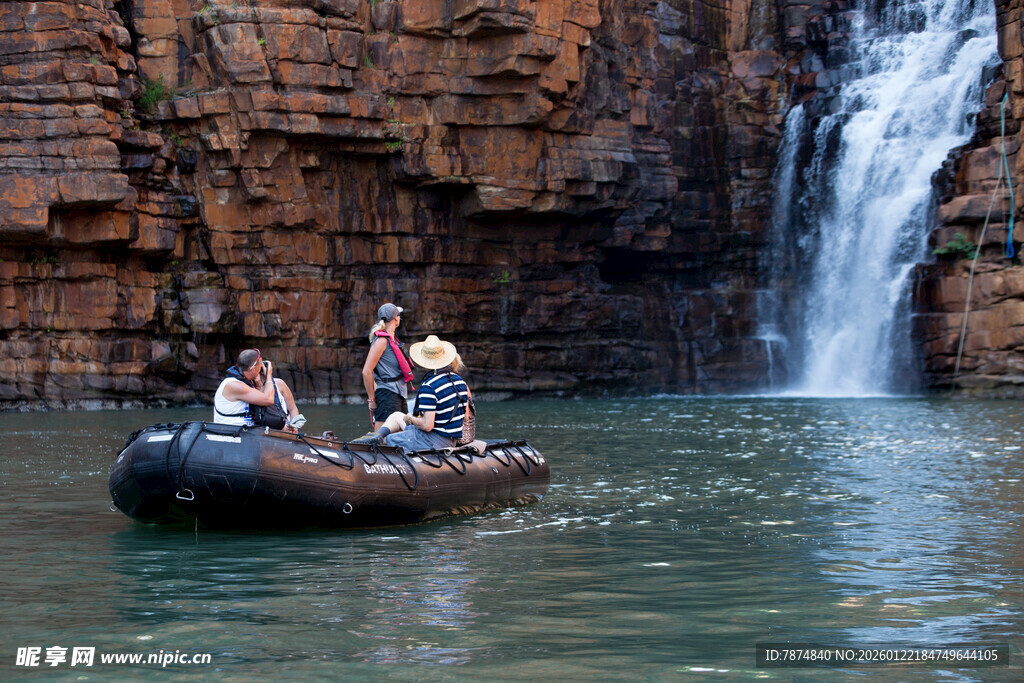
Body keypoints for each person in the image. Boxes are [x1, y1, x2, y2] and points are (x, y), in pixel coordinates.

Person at [352, 335, 469, 451]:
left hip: (431, 442)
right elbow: (466, 417)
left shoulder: (429, 386)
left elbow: (427, 425)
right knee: (396, 416)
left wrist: (410, 419)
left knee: (387, 440)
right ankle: (376, 436)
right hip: (450, 440)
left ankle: (376, 442)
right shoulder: (460, 381)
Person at [213, 349, 304, 432]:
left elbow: (289, 409)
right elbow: (268, 400)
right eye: (260, 365)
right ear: (253, 369)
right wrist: (268, 375)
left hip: (248, 432)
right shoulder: (234, 385)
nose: (263, 367)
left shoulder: (250, 383)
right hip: (231, 432)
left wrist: (260, 384)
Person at [361, 302, 414, 429]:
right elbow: (366, 371)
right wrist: (372, 400)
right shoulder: (381, 341)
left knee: (402, 433)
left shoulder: (392, 340)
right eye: (399, 315)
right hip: (388, 394)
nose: (400, 317)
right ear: (396, 319)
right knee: (381, 437)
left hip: (398, 393)